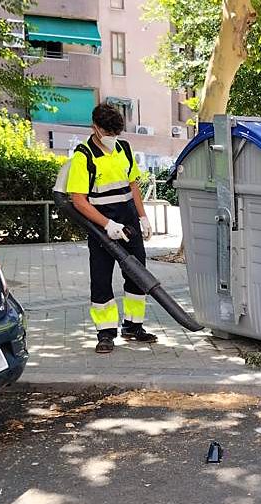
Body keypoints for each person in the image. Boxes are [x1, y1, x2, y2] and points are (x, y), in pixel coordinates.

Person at [65, 102, 157, 354]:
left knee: (138, 275)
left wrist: (143, 217)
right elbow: (78, 200)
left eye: (116, 134)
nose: (112, 139)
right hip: (101, 227)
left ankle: (133, 326)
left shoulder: (124, 148)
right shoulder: (83, 156)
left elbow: (133, 185)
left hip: (129, 221)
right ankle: (105, 333)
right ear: (95, 127)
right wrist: (107, 224)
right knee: (102, 280)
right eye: (108, 134)